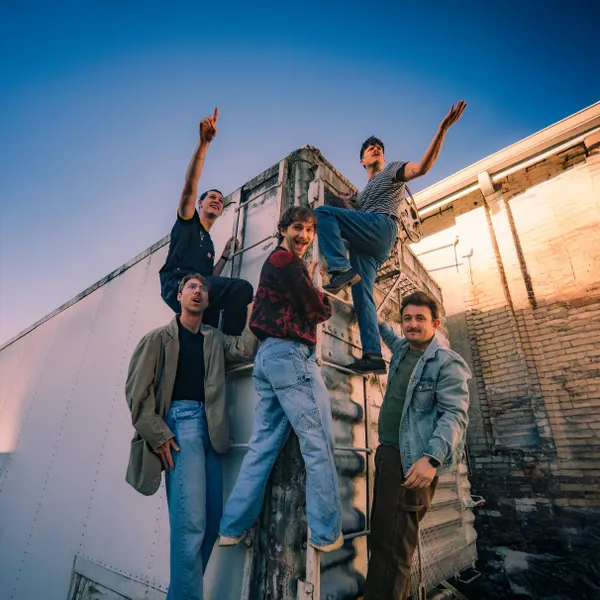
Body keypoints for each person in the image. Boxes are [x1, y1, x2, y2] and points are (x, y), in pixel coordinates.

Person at [218, 206, 343, 552]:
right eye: (297, 228)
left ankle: (231, 527)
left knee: (261, 448)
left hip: (269, 358)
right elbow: (318, 310)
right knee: (318, 443)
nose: (304, 236)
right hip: (290, 356)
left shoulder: (278, 263)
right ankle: (326, 533)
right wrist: (317, 288)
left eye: (310, 230)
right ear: (283, 229)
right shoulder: (287, 261)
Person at [125, 272, 257, 600]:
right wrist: (159, 434)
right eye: (191, 287)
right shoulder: (157, 339)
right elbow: (137, 393)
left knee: (211, 525)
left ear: (208, 301)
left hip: (212, 432)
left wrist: (256, 312)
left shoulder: (213, 338)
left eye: (203, 289)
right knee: (190, 526)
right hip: (180, 427)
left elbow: (244, 349)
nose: (197, 291)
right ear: (180, 296)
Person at [314, 101, 467, 374]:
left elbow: (422, 168)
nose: (376, 149)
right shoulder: (363, 193)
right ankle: (373, 354)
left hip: (382, 227)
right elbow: (355, 214)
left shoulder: (393, 170)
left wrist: (442, 130)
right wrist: (350, 203)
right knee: (362, 296)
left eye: (379, 148)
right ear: (362, 161)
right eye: (370, 148)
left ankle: (339, 268)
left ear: (383, 157)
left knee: (323, 213)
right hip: (369, 246)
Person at [363, 291, 471, 600]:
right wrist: (367, 306)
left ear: (435, 323)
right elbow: (388, 334)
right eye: (407, 318)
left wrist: (431, 459)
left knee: (392, 547)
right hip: (389, 455)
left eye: (420, 319)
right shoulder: (403, 350)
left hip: (412, 462)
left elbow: (455, 415)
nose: (412, 324)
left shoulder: (447, 362)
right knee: (386, 538)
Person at [159, 107, 254, 335]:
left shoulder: (209, 243)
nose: (217, 201)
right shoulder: (188, 221)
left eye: (221, 200)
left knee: (209, 326)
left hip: (199, 286)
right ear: (200, 203)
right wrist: (204, 144)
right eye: (212, 197)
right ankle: (233, 343)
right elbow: (190, 185)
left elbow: (211, 276)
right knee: (241, 289)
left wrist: (224, 256)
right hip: (177, 284)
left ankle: (212, 348)